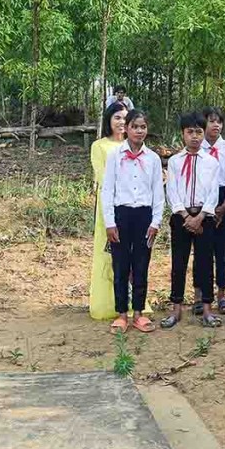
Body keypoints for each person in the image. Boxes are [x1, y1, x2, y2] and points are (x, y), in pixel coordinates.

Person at [101, 109, 164, 335]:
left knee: (141, 265)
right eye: (135, 126)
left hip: (144, 216)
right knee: (120, 265)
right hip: (121, 215)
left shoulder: (153, 158)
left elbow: (158, 193)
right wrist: (110, 222)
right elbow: (107, 190)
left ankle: (138, 313)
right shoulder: (115, 155)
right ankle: (121, 314)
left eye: (143, 127)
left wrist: (156, 222)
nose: (139, 131)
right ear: (126, 128)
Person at [163, 112, 220, 329]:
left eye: (198, 132)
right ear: (182, 134)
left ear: (204, 133)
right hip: (181, 217)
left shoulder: (211, 162)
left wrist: (201, 217)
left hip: (205, 218)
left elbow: (213, 193)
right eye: (190, 132)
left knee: (205, 263)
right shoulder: (175, 162)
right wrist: (186, 216)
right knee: (179, 263)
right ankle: (176, 308)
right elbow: (172, 190)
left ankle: (207, 309)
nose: (194, 136)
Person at [91, 102, 128, 321]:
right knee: (109, 254)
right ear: (109, 120)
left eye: (125, 118)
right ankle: (107, 303)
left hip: (132, 207)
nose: (122, 122)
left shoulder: (133, 146)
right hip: (109, 206)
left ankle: (131, 301)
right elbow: (102, 177)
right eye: (117, 117)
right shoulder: (99, 146)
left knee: (130, 254)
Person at [201, 106, 225, 315]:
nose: (216, 125)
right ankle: (200, 295)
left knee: (222, 251)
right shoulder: (197, 147)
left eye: (219, 121)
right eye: (211, 121)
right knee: (202, 251)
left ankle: (222, 295)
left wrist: (224, 206)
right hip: (203, 200)